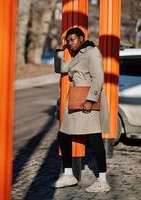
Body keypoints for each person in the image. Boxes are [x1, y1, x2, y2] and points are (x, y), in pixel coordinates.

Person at [53, 27, 110, 193]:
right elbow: (61, 69)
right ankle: (69, 174)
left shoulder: (92, 52)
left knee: (95, 139)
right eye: (68, 41)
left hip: (87, 99)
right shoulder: (77, 55)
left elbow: (99, 77)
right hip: (75, 98)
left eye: (73, 39)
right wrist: (59, 50)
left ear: (81, 38)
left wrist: (91, 100)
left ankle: (103, 180)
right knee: (63, 135)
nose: (70, 43)